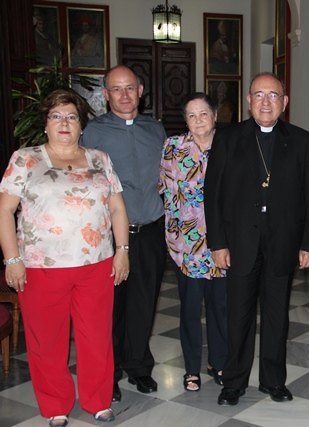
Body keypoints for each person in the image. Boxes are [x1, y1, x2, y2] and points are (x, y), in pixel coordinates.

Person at [0, 89, 129, 427]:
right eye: (56, 116)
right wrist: (12, 259)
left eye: (71, 116)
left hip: (96, 264)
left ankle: (98, 400)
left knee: (97, 337)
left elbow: (117, 207)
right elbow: (5, 211)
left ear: (81, 125)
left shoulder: (100, 159)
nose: (64, 123)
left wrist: (122, 251)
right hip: (42, 266)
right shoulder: (25, 159)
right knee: (47, 340)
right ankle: (56, 403)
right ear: (45, 124)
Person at [204, 72, 309, 406]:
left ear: (284, 102)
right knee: (237, 316)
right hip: (239, 244)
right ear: (248, 100)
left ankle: (273, 380)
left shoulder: (301, 140)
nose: (266, 102)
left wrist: (308, 244)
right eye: (259, 95)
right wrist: (218, 243)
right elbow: (213, 195)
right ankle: (234, 382)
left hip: (283, 243)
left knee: (276, 317)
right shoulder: (228, 137)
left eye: (273, 95)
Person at [82, 65, 167, 402]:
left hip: (149, 230)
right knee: (111, 307)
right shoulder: (92, 133)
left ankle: (139, 367)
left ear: (141, 89)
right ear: (105, 95)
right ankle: (111, 370)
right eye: (116, 89)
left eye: (129, 87)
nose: (124, 95)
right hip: (109, 236)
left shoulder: (156, 129)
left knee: (144, 303)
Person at [158, 92, 227, 392]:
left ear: (214, 115)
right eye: (191, 115)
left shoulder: (229, 145)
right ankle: (190, 369)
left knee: (220, 308)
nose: (198, 120)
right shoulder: (173, 147)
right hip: (185, 244)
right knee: (189, 309)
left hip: (221, 243)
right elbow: (165, 189)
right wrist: (175, 234)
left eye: (204, 113)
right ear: (185, 120)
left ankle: (220, 362)